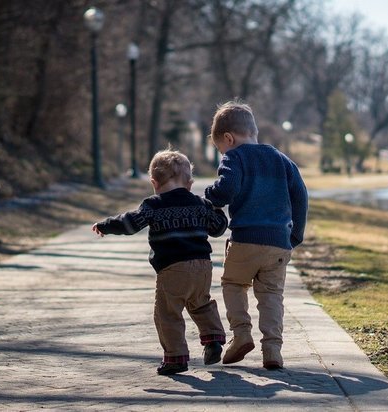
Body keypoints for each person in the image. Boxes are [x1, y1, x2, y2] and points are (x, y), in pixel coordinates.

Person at [92, 149, 228, 375]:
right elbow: (218, 228)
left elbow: (130, 223)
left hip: (173, 268)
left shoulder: (153, 205)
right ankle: (213, 340)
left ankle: (176, 357)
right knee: (201, 303)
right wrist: (218, 210)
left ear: (154, 183)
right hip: (202, 267)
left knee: (167, 313)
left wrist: (106, 225)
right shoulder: (199, 203)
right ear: (189, 183)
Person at [204, 101, 308, 370]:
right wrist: (295, 234)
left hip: (245, 239)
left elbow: (226, 190)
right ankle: (272, 350)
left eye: (220, 149)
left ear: (229, 138)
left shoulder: (234, 157)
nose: (222, 153)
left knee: (233, 284)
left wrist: (210, 195)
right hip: (278, 243)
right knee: (272, 295)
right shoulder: (281, 159)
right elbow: (301, 196)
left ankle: (241, 334)